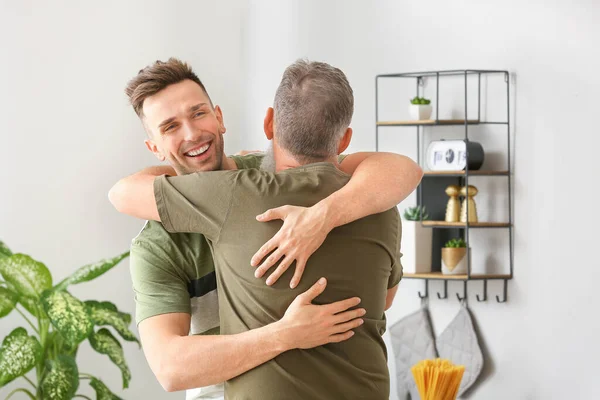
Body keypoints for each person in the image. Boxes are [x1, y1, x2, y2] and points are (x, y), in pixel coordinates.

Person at [110, 58, 422, 399]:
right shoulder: (158, 242)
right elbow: (171, 369)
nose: (192, 133)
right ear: (153, 147)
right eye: (170, 127)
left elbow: (398, 170)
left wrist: (323, 216)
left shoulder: (275, 169)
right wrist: (285, 334)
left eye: (198, 113)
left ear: (219, 117)